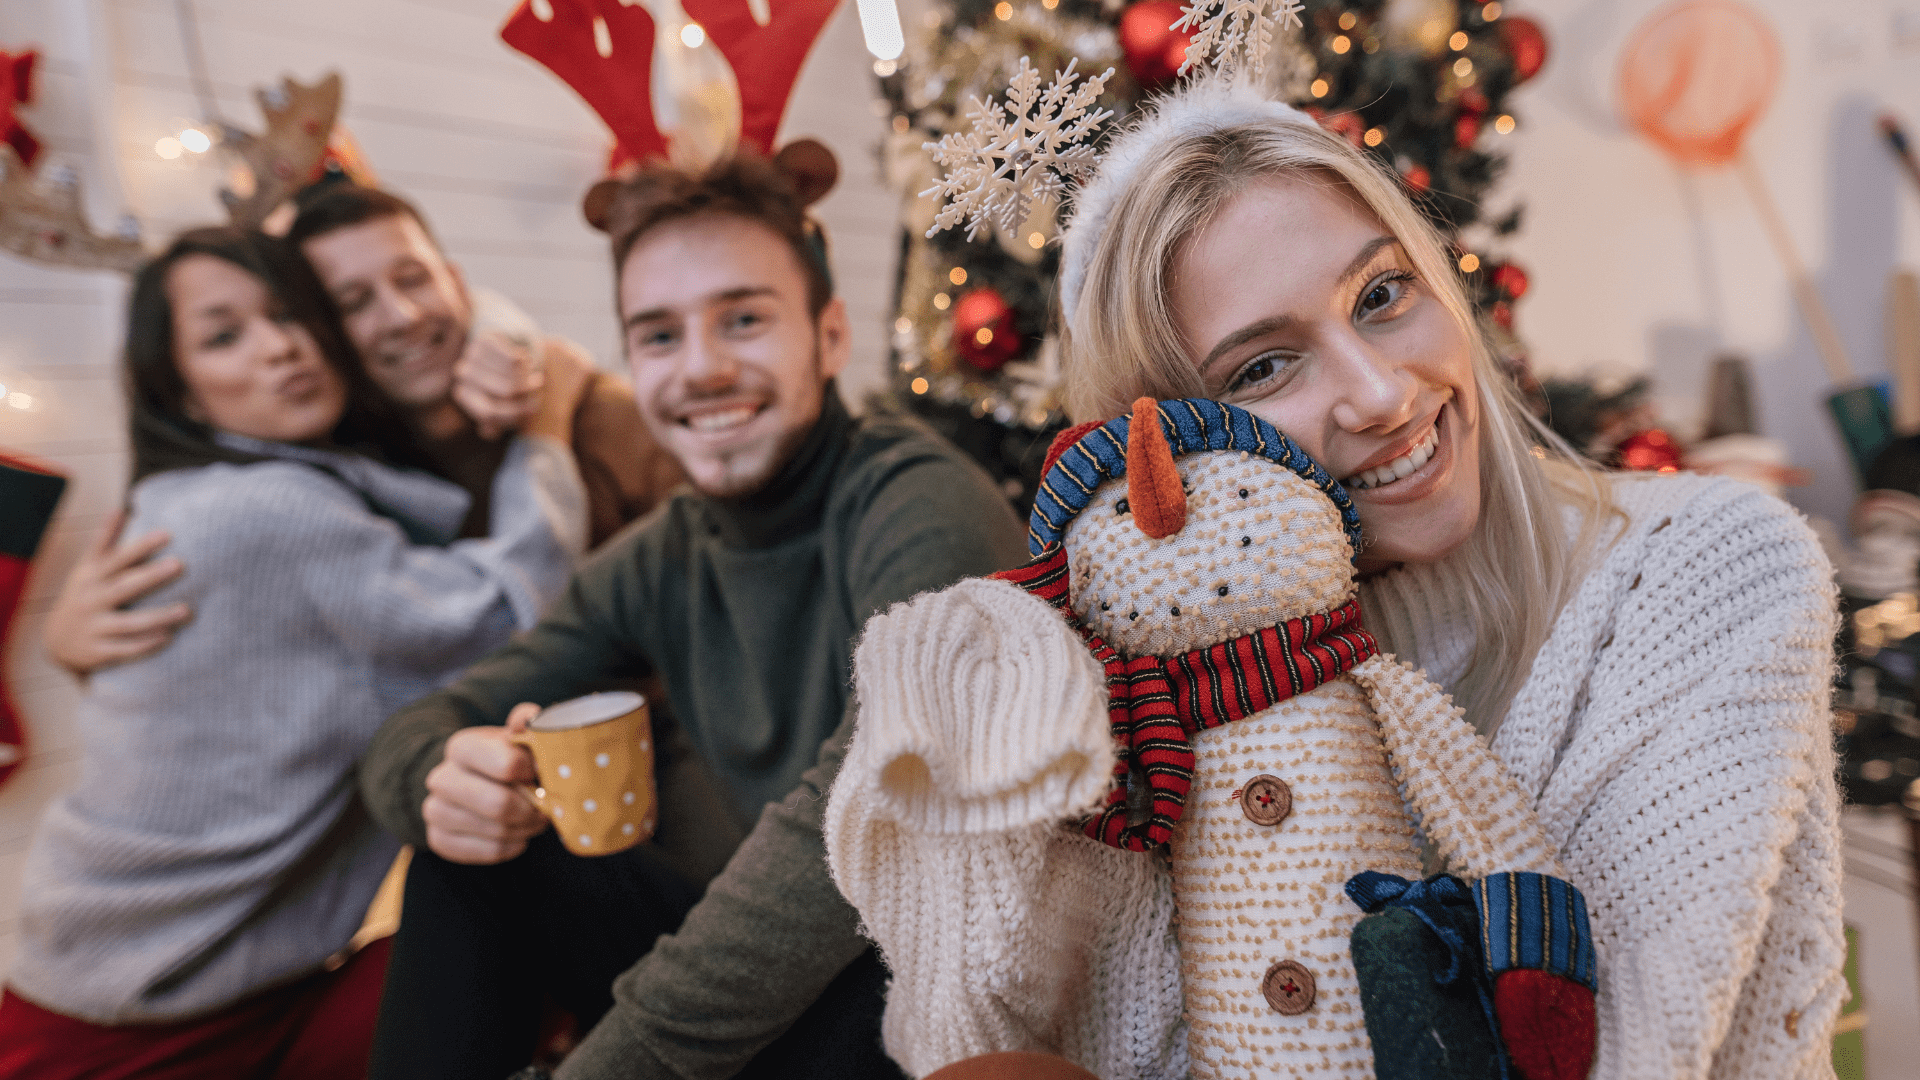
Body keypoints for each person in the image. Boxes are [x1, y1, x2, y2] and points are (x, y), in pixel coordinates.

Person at [1047, 84, 1843, 1077]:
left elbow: (1631, 1050)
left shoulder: (1709, 565)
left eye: (1381, 296)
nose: (1382, 394)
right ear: (1168, 460)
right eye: (1263, 369)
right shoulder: (1164, 726)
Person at [357, 153, 1027, 1079]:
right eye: (660, 335)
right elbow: (418, 726)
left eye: (743, 319)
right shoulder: (663, 554)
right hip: (775, 989)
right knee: (472, 854)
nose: (702, 369)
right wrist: (441, 779)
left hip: (932, 1004)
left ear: (830, 337)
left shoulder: (920, 504)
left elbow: (867, 811)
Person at [0, 226, 590, 1079]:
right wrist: (548, 426)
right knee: (531, 918)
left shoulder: (201, 490)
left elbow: (411, 266)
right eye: (224, 335)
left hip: (217, 982)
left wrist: (505, 335)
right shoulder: (271, 513)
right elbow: (505, 611)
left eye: (290, 314)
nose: (280, 347)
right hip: (129, 1028)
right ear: (185, 395)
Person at [41, 183, 683, 680]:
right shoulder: (333, 468)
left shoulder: (600, 415)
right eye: (351, 303)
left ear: (454, 283)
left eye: (413, 280)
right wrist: (71, 646)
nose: (402, 316)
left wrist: (530, 365)